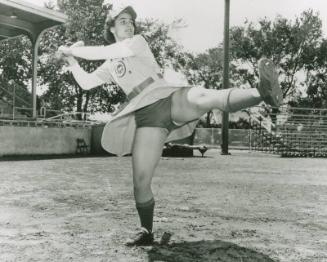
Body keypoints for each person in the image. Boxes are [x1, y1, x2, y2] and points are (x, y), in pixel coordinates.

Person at [57, 3, 283, 246]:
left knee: (207, 97)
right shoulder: (111, 62)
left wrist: (70, 50)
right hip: (146, 117)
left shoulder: (137, 42)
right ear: (111, 27)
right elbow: (87, 83)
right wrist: (71, 62)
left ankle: (262, 91)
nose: (129, 25)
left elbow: (101, 51)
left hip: (167, 96)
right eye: (122, 21)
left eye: (131, 21)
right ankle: (146, 230)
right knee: (141, 181)